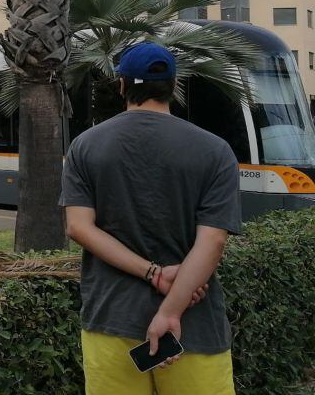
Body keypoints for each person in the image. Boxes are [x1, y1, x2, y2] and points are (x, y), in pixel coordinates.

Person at [61, 42, 239, 395]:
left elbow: (78, 227)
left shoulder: (85, 146)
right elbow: (213, 241)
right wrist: (171, 311)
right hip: (194, 326)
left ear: (123, 85)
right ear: (174, 86)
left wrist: (152, 273)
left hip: (110, 319)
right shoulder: (215, 151)